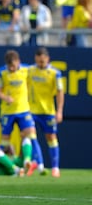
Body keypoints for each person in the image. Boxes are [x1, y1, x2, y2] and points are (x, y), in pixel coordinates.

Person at [0, 50, 43, 174]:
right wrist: (6, 98)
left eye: (14, 66)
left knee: (31, 135)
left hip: (23, 110)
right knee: (5, 143)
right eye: (10, 66)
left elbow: (39, 70)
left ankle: (38, 164)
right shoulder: (0, 72)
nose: (12, 68)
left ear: (18, 62)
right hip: (7, 112)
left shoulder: (26, 69)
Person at [28, 47, 64, 178]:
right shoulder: (30, 71)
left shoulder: (55, 73)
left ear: (47, 59)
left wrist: (59, 111)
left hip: (48, 110)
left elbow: (60, 93)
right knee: (31, 135)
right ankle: (39, 164)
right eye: (38, 61)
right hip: (32, 110)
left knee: (51, 138)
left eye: (42, 61)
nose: (40, 64)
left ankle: (55, 167)